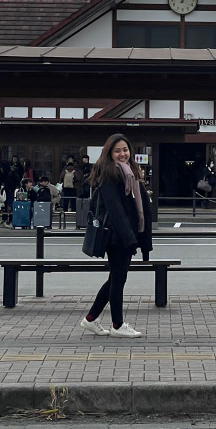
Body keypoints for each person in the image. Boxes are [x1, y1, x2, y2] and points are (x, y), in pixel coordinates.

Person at [80, 134, 145, 338]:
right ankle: (117, 325)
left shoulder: (129, 173)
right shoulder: (109, 174)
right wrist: (130, 238)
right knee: (118, 279)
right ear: (109, 153)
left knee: (115, 278)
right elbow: (116, 210)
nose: (123, 154)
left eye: (125, 149)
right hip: (116, 236)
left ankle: (90, 319)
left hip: (124, 234)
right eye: (117, 151)